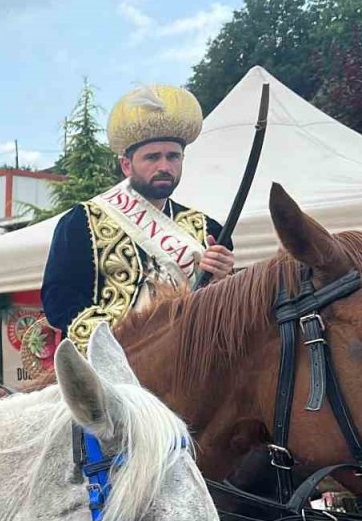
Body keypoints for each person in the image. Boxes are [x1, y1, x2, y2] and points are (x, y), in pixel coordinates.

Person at [41, 84, 236, 351]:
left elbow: (225, 314)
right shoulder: (81, 222)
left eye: (173, 156)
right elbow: (59, 299)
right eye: (152, 157)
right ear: (126, 165)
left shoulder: (208, 229)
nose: (164, 166)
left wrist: (223, 280)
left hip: (191, 362)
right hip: (111, 363)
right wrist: (119, 345)